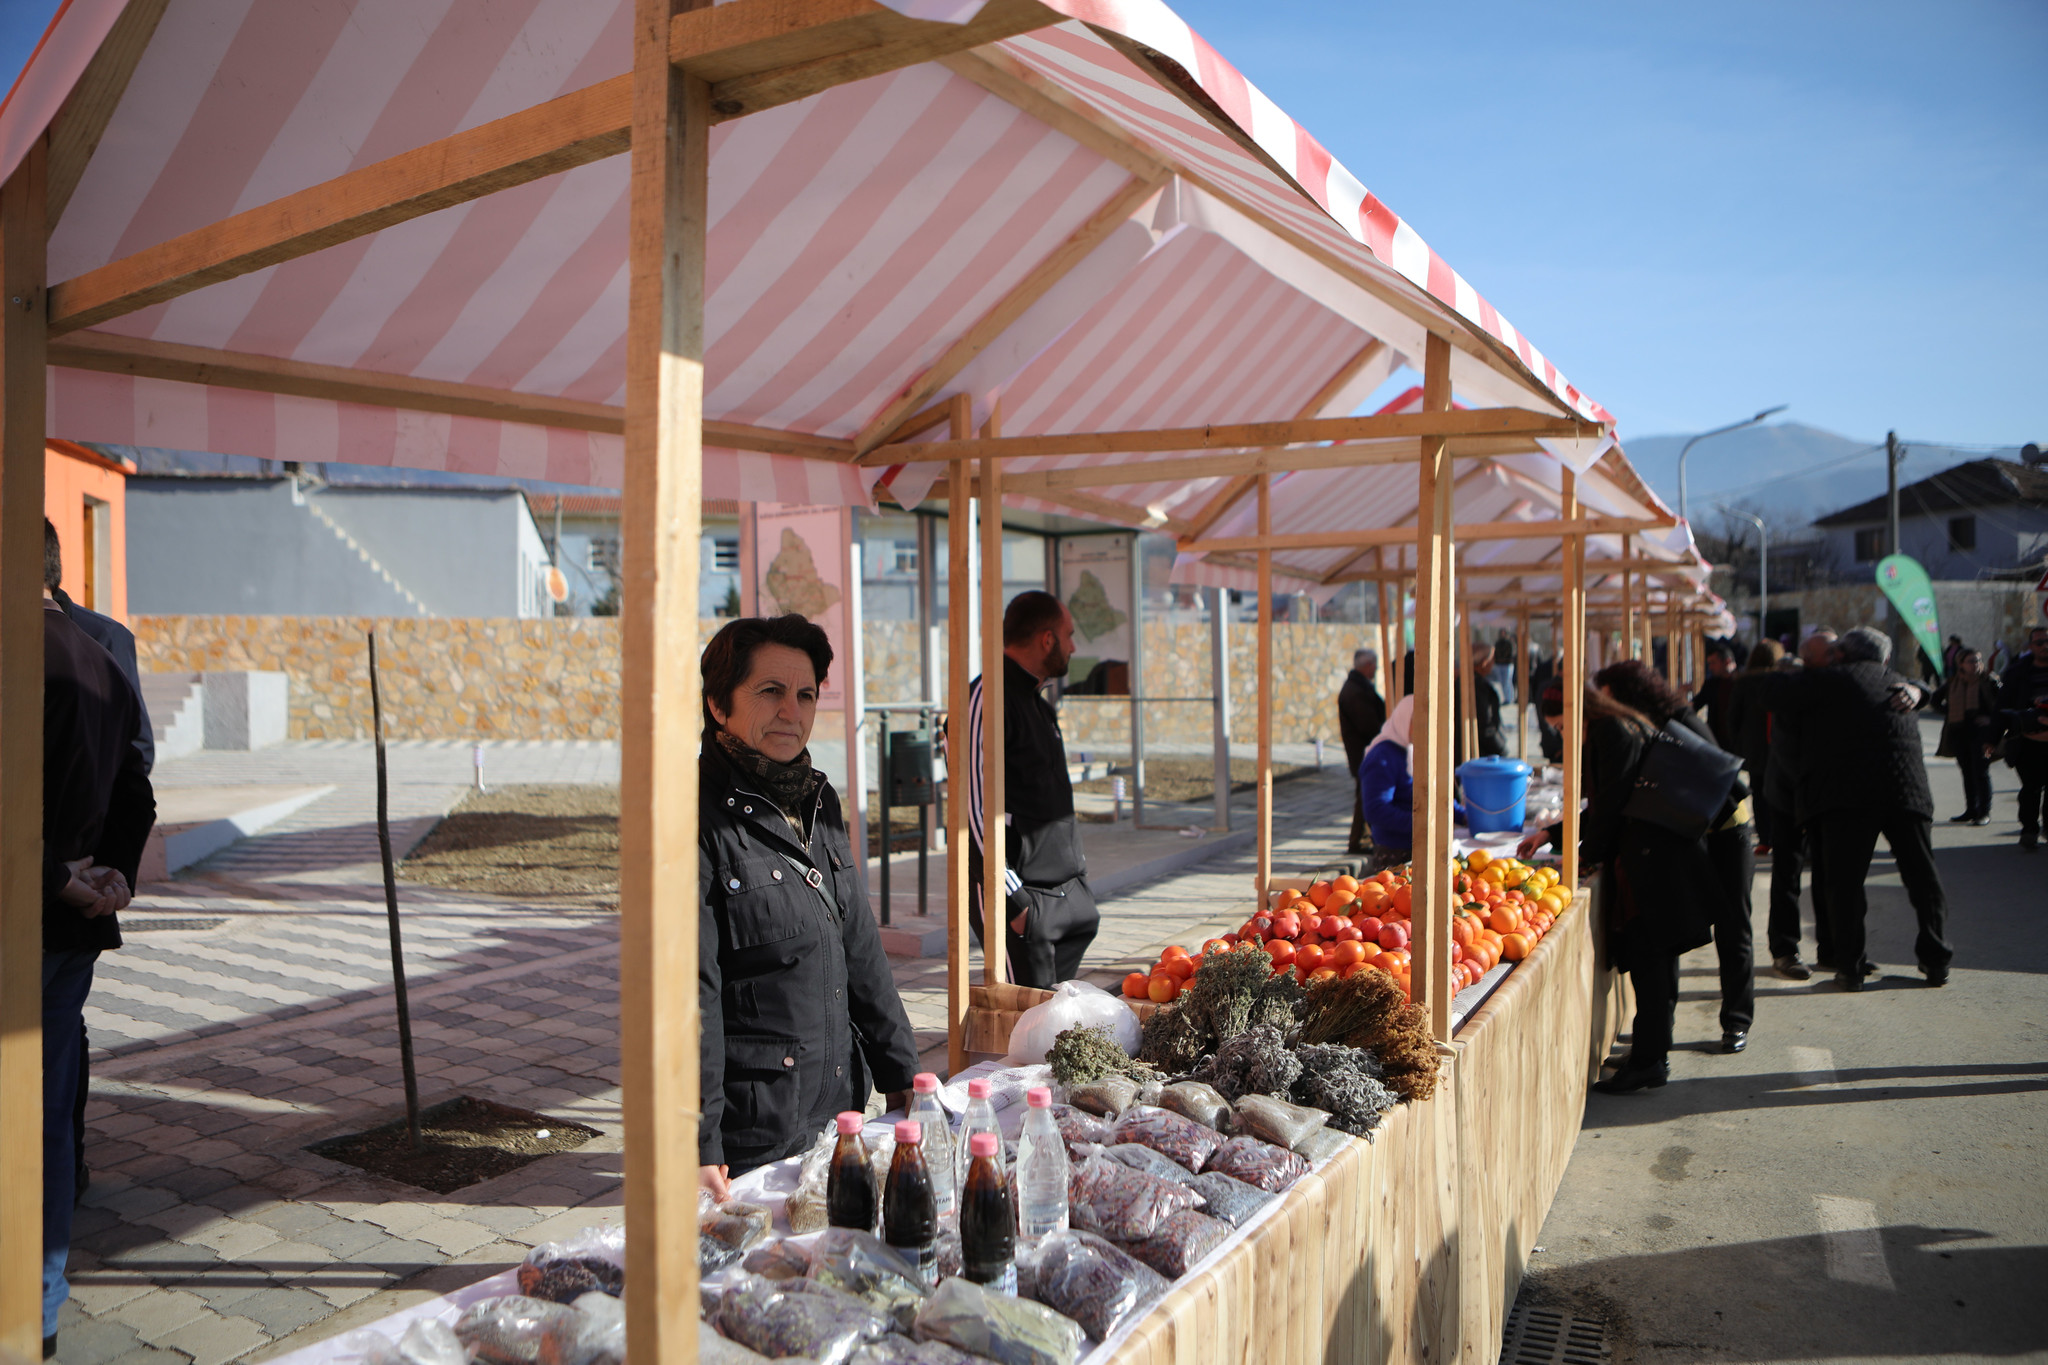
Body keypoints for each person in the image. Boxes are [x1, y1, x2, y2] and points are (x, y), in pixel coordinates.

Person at [697, 615, 920, 1197]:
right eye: (770, 691)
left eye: (805, 695)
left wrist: (901, 1070)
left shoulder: (818, 799)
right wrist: (699, 1139)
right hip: (752, 1133)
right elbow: (688, 993)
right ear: (719, 705)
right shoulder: (693, 818)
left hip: (840, 1109)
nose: (791, 712)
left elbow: (860, 944)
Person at [41, 567, 155, 1354]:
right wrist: (105, 873)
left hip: (37, 914)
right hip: (67, 924)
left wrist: (67, 876)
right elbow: (136, 784)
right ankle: (39, 1303)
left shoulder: (42, 656)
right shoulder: (99, 655)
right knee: (44, 1118)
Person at [1519, 685, 1717, 1093]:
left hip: (1652, 858)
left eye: (1561, 725)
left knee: (1651, 957)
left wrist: (1585, 856)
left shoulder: (1611, 731)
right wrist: (1554, 833)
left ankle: (1649, 1060)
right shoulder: (1620, 724)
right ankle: (1651, 1049)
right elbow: (1608, 802)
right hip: (1656, 853)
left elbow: (1611, 804)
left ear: (1580, 713)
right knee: (1657, 959)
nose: (1561, 735)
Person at [1597, 659, 1756, 1053]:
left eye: (1607, 693)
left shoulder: (1680, 721)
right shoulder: (1646, 723)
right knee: (1674, 931)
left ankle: (1737, 1020)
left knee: (1734, 924)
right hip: (1693, 831)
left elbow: (1720, 781)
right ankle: (1660, 1026)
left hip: (1726, 831)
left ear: (1624, 692)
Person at [1782, 626, 1952, 989]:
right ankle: (1936, 959)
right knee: (1923, 878)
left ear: (1841, 655)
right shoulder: (1898, 683)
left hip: (1847, 798)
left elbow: (1772, 695)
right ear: (1886, 657)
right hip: (1907, 792)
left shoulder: (1823, 681)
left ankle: (1850, 967)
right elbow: (1929, 691)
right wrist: (1918, 690)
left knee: (1845, 885)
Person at [967, 591, 1100, 987]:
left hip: (1067, 895)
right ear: (1047, 639)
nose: (1074, 646)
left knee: (1060, 1029)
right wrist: (1016, 902)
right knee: (1029, 1031)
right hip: (1026, 901)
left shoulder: (1038, 704)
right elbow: (970, 810)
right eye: (1069, 634)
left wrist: (1079, 884)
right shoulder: (987, 697)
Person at [1356, 696, 1467, 871]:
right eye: (1419, 722)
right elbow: (1376, 810)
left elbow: (1431, 793)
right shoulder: (1381, 757)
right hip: (1395, 853)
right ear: (1404, 719)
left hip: (1420, 845)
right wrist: (1423, 823)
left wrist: (1462, 815)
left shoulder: (1412, 750)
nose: (1426, 728)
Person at [1933, 649, 2000, 826]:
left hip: (1982, 733)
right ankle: (1971, 809)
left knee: (1981, 771)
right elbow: (1935, 700)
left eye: (1977, 660)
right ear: (1960, 664)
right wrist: (1949, 713)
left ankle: (1984, 812)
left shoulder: (1989, 680)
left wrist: (1990, 719)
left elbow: (2004, 703)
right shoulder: (1953, 682)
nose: (1975, 664)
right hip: (1959, 732)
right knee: (1967, 772)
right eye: (1970, 661)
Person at [2000, 626, 2048, 851]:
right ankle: (2029, 828)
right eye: (2039, 643)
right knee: (2031, 788)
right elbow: (2002, 708)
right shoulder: (2017, 672)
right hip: (2027, 743)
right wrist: (1992, 738)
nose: (2044, 646)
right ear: (2031, 647)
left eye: (2047, 641)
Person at [1337, 648, 1387, 855]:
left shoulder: (1358, 687)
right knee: (1364, 795)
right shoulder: (1355, 690)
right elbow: (1368, 725)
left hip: (1363, 752)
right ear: (1367, 666)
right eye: (1374, 665)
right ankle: (1358, 840)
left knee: (1364, 794)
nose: (1376, 669)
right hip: (1362, 752)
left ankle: (1361, 838)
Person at [1691, 645, 1739, 750]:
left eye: (1713, 663)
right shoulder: (1711, 684)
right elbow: (1695, 705)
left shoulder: (1741, 683)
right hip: (1718, 742)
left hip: (1738, 742)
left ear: (1727, 661)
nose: (1710, 667)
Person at [1471, 647, 1505, 758]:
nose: (1493, 663)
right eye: (1492, 659)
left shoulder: (1476, 684)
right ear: (1484, 662)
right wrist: (1500, 748)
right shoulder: (1478, 687)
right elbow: (1485, 724)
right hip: (1482, 754)